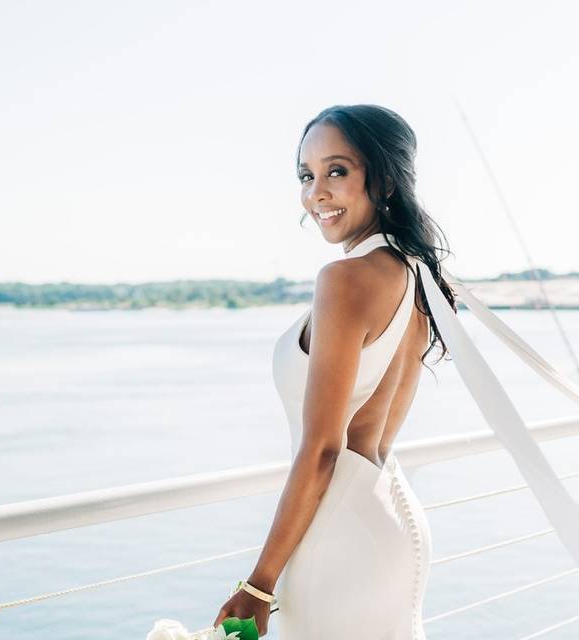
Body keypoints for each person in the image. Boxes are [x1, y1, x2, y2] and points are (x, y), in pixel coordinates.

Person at [212, 104, 457, 638]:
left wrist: (258, 584)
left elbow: (324, 447)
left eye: (337, 171)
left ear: (385, 178)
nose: (316, 193)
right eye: (307, 175)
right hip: (392, 520)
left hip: (340, 536)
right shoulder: (417, 274)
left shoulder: (345, 280)